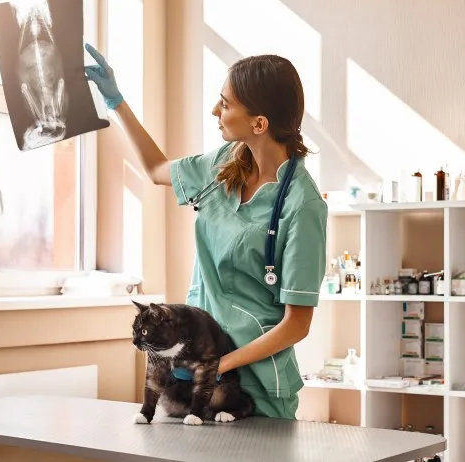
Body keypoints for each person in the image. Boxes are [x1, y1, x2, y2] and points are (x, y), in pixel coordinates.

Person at [84, 43, 327, 420]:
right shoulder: (221, 165)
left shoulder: (303, 205)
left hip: (255, 384)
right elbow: (155, 168)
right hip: (194, 369)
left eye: (225, 104)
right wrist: (115, 101)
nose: (216, 111)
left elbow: (297, 323)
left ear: (259, 123)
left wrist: (223, 364)